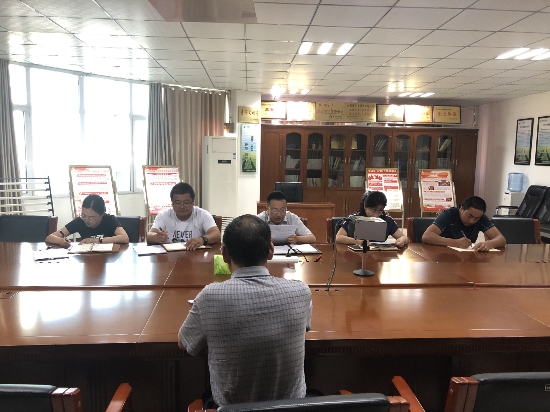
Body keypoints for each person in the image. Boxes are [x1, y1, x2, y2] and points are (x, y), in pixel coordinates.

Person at [178, 215, 311, 407]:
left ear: (224, 254)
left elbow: (184, 343)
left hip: (231, 408)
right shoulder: (300, 292)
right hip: (291, 407)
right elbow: (304, 328)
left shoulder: (209, 296)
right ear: (271, 250)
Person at [146, 182, 221, 250]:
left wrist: (202, 239)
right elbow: (149, 236)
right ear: (172, 204)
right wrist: (157, 237)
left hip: (196, 255)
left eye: (186, 202)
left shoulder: (202, 214)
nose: (182, 206)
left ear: (193, 202)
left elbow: (217, 234)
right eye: (178, 203)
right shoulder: (164, 215)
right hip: (171, 256)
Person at [422, 196, 506, 251]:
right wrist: (455, 243)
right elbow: (427, 236)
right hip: (442, 257)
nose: (472, 221)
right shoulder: (449, 215)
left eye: (476, 218)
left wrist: (489, 244)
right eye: (470, 216)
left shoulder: (481, 217)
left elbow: (501, 239)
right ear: (461, 209)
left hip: (466, 258)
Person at [45, 194, 129, 247]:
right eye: (84, 215)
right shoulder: (80, 221)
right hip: (87, 259)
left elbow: (124, 238)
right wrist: (61, 241)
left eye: (92, 217)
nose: (87, 220)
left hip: (109, 259)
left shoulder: (109, 220)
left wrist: (98, 240)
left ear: (102, 214)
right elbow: (50, 237)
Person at [335, 190, 408, 247]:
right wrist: (358, 242)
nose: (376, 215)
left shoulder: (387, 221)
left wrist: (402, 240)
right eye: (373, 210)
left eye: (380, 211)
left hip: (379, 256)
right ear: (365, 206)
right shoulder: (354, 219)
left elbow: (404, 237)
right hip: (356, 255)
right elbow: (338, 237)